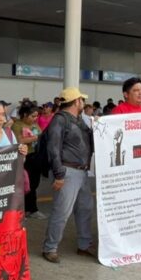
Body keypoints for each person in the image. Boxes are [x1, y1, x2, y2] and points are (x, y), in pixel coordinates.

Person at [38, 88, 95, 263]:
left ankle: (84, 245)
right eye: (81, 100)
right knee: (62, 212)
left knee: (85, 208)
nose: (83, 103)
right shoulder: (60, 120)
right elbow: (53, 148)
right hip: (68, 171)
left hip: (81, 171)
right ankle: (50, 247)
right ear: (76, 101)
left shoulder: (78, 120)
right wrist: (59, 174)